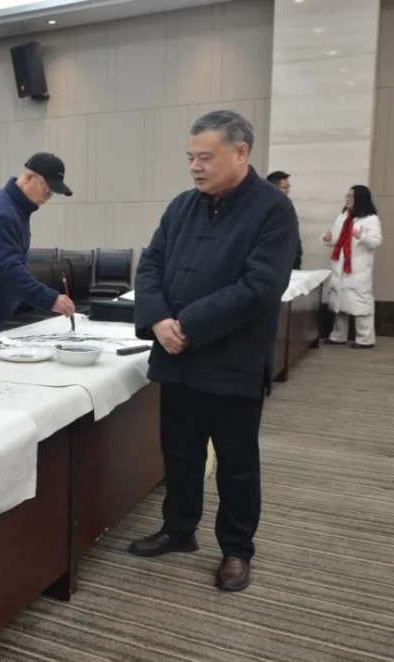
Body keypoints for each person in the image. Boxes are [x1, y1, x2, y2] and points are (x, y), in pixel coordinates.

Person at [131, 110, 298, 592]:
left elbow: (260, 286)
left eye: (205, 157)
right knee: (179, 453)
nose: (195, 167)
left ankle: (236, 549)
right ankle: (179, 529)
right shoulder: (182, 206)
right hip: (177, 358)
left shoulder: (272, 209)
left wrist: (188, 324)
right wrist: (158, 320)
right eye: (190, 158)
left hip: (232, 361)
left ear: (241, 153)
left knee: (236, 463)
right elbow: (151, 266)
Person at [0, 152, 75, 340]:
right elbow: (9, 269)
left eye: (52, 194)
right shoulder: (2, 213)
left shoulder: (16, 208)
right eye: (46, 190)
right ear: (29, 177)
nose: (47, 197)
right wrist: (51, 299)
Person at [321, 185, 383, 348]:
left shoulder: (371, 219)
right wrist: (328, 239)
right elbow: (336, 240)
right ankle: (338, 336)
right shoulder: (343, 216)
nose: (347, 199)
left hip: (358, 268)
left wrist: (361, 236)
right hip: (339, 266)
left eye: (351, 196)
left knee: (360, 302)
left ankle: (365, 339)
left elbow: (376, 241)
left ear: (360, 198)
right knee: (339, 300)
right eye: (347, 196)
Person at [267, 170, 303, 269]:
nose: (288, 191)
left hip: (291, 261)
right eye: (285, 188)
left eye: (288, 187)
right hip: (275, 263)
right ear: (273, 188)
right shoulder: (266, 209)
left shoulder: (287, 206)